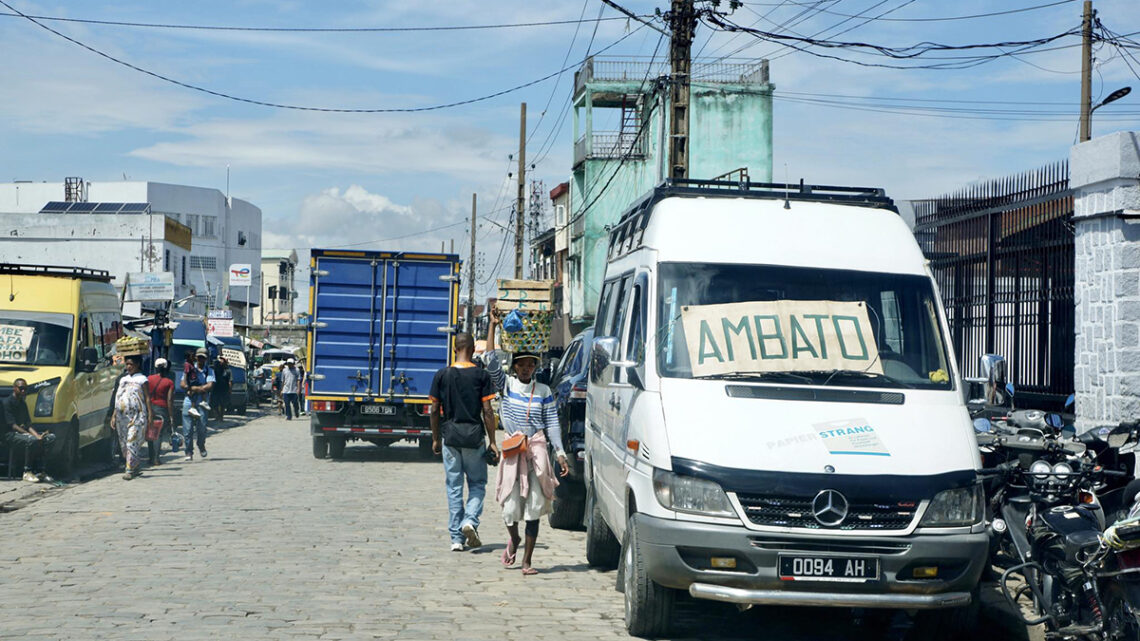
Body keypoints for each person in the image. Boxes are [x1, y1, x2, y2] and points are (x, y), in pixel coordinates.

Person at [486, 315, 569, 575]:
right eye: (521, 365)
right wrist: (492, 326)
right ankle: (515, 538)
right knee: (509, 508)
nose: (525, 369)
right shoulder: (507, 386)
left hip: (537, 452)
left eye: (530, 365)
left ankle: (527, 561)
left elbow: (553, 423)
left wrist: (561, 453)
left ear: (534, 368)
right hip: (513, 453)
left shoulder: (543, 391)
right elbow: (489, 360)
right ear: (514, 367)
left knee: (534, 507)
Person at [429, 332, 500, 552]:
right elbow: (488, 411)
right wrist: (493, 442)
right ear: (472, 350)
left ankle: (456, 539)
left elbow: (433, 409)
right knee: (477, 484)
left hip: (450, 438)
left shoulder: (442, 375)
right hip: (474, 438)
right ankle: (470, 520)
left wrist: (435, 438)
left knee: (454, 487)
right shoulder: (482, 376)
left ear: (454, 349)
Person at [0, 378, 56, 483]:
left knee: (50, 438)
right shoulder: (6, 403)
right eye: (21, 388)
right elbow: (13, 425)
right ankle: (27, 471)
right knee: (32, 440)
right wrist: (32, 436)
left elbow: (28, 424)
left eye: (25, 389)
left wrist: (38, 435)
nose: (23, 391)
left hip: (21, 433)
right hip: (8, 435)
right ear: (14, 388)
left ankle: (41, 471)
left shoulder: (23, 403)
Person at [111, 355, 152, 480]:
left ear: (138, 364)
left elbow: (147, 398)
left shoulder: (142, 379)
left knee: (131, 441)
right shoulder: (123, 380)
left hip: (137, 416)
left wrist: (150, 414)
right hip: (122, 417)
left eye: (131, 364)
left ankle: (129, 469)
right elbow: (117, 398)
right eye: (127, 364)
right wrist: (113, 415)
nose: (128, 367)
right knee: (123, 443)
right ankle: (135, 466)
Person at [180, 347, 214, 461]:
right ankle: (188, 451)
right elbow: (183, 383)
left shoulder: (209, 371)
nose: (200, 360)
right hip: (189, 401)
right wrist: (196, 388)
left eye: (203, 358)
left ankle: (201, 444)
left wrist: (194, 388)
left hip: (202, 403)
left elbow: (209, 386)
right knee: (187, 429)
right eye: (199, 357)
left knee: (202, 427)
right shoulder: (189, 367)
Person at [146, 358, 174, 466]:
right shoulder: (169, 382)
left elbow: (146, 394)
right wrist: (171, 416)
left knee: (150, 433)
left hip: (149, 408)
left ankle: (150, 457)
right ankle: (156, 459)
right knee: (158, 434)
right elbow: (170, 400)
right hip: (162, 409)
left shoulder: (149, 379)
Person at [210, 357, 232, 421]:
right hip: (215, 389)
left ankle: (221, 417)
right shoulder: (215, 369)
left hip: (224, 390)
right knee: (214, 403)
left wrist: (230, 390)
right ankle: (217, 416)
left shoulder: (228, 371)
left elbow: (230, 381)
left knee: (222, 404)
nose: (221, 362)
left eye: (222, 361)